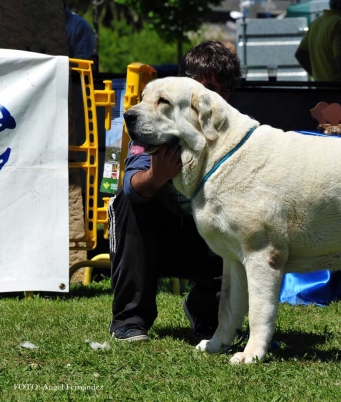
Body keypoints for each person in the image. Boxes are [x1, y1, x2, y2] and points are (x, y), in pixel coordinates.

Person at [108, 41, 242, 342]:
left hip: (209, 244)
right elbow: (131, 186)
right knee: (127, 203)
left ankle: (208, 312)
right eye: (206, 87)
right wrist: (156, 176)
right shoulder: (155, 123)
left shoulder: (237, 130)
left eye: (222, 89)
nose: (214, 97)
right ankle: (130, 320)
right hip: (158, 242)